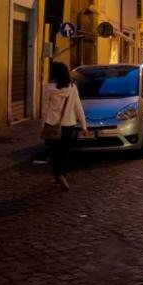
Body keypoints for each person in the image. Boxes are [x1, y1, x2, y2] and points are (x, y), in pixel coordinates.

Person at [41, 62, 88, 191]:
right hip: (69, 124)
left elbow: (44, 110)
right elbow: (78, 107)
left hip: (53, 124)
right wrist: (84, 126)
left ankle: (58, 175)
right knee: (65, 151)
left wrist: (42, 126)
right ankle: (62, 176)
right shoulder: (72, 87)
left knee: (54, 152)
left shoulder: (49, 88)